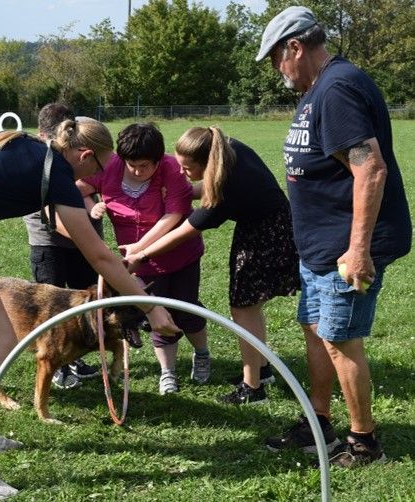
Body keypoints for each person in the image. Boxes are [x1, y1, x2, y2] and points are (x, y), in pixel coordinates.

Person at [0, 119, 179, 499]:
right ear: (85, 155)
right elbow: (99, 257)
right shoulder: (59, 174)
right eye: (99, 167)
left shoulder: (29, 148)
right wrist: (151, 309)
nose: (95, 177)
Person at [255, 6, 412, 466]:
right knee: (316, 331)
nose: (277, 69)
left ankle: (364, 443)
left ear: (295, 47)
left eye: (276, 58)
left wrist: (358, 250)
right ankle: (318, 422)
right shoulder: (319, 89)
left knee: (341, 341)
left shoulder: (338, 88)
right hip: (319, 247)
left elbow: (371, 169)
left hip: (346, 250)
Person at [123, 126, 300, 404]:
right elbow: (201, 188)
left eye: (187, 168)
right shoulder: (228, 149)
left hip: (267, 237)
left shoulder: (226, 189)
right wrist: (175, 195)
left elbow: (184, 232)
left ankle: (252, 389)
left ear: (207, 162)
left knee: (243, 308)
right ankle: (261, 370)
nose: (182, 173)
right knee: (249, 306)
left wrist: (141, 255)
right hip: (265, 226)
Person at [78, 123, 210, 395]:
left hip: (179, 254)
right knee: (155, 312)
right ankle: (167, 372)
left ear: (158, 159)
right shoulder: (110, 167)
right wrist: (93, 205)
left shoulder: (171, 168)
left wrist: (139, 247)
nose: (138, 171)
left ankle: (202, 353)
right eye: (132, 165)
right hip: (140, 264)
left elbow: (174, 215)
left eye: (145, 166)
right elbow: (79, 186)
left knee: (187, 309)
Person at [24, 103, 102, 389]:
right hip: (49, 245)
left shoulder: (80, 153)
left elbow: (91, 185)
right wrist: (88, 241)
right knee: (51, 308)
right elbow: (49, 217)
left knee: (85, 301)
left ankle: (75, 357)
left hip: (83, 242)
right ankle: (57, 365)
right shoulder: (39, 161)